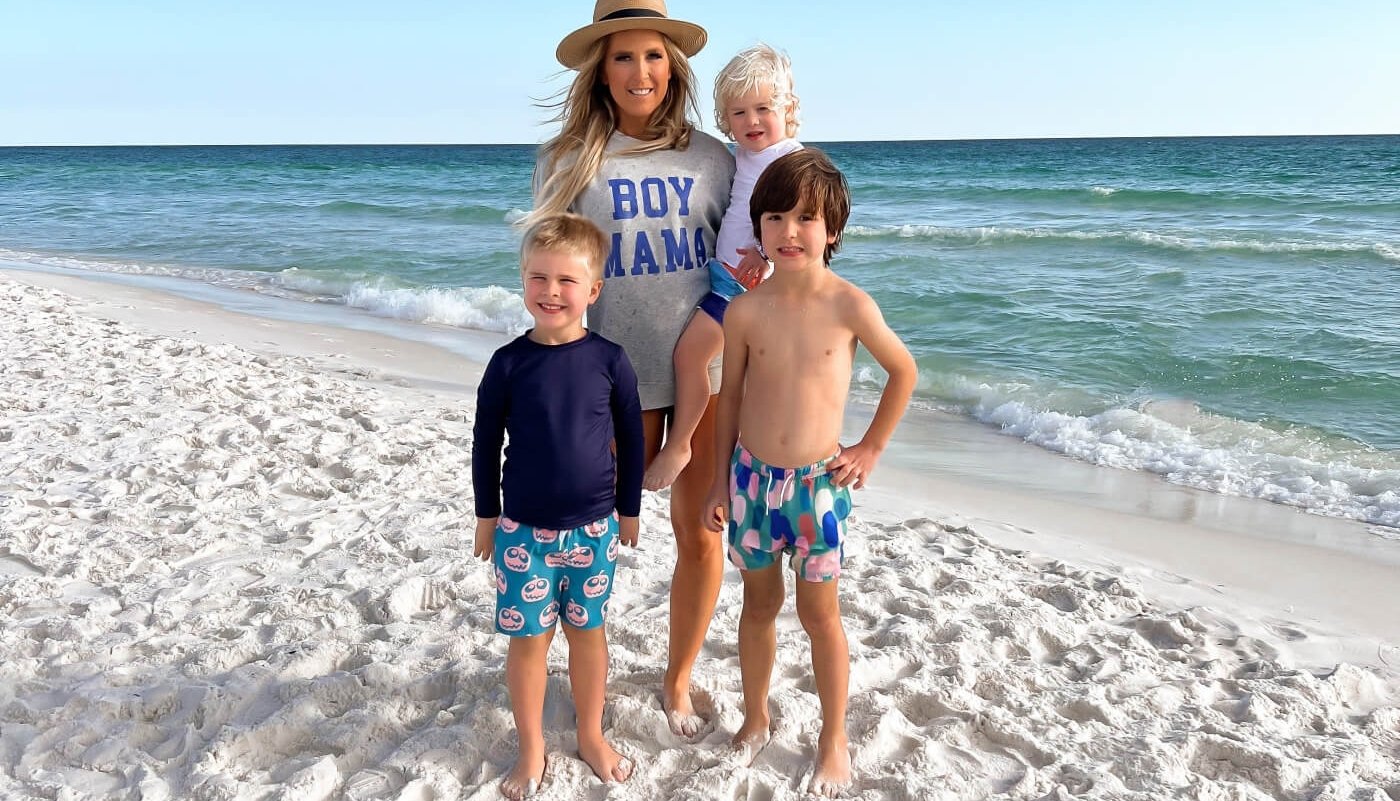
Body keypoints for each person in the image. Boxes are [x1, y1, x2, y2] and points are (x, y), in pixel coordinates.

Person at [530, 0, 736, 737]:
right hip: (608, 381)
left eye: (654, 56)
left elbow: (748, 265)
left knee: (701, 533)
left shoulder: (717, 158)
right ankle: (573, 671)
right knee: (578, 539)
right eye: (623, 57)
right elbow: (556, 280)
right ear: (602, 69)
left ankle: (678, 678)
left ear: (674, 67)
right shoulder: (568, 161)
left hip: (703, 381)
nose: (640, 71)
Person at [701, 149, 918, 796]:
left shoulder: (850, 305)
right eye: (775, 216)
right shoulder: (745, 311)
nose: (789, 231)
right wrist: (718, 482)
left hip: (818, 492)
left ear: (832, 231)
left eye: (806, 218)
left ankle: (833, 736)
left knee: (821, 615)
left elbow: (904, 371)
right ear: (757, 226)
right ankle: (756, 714)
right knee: (758, 605)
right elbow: (730, 400)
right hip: (750, 484)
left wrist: (870, 448)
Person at [472, 213, 645, 799]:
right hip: (522, 532)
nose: (551, 292)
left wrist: (629, 509)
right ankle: (531, 746)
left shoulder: (610, 359)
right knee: (528, 642)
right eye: (538, 278)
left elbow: (631, 436)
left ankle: (591, 733)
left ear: (593, 290)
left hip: (594, 529)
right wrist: (485, 516)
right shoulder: (507, 363)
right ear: (522, 281)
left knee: (588, 632)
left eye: (566, 281)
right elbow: (484, 442)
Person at [642, 43, 804, 491]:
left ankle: (680, 445)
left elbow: (800, 217)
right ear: (724, 118)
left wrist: (765, 253)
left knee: (690, 354)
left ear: (788, 108)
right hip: (723, 277)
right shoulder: (743, 157)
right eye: (738, 112)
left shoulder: (789, 159)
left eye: (763, 109)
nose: (751, 121)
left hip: (741, 285)